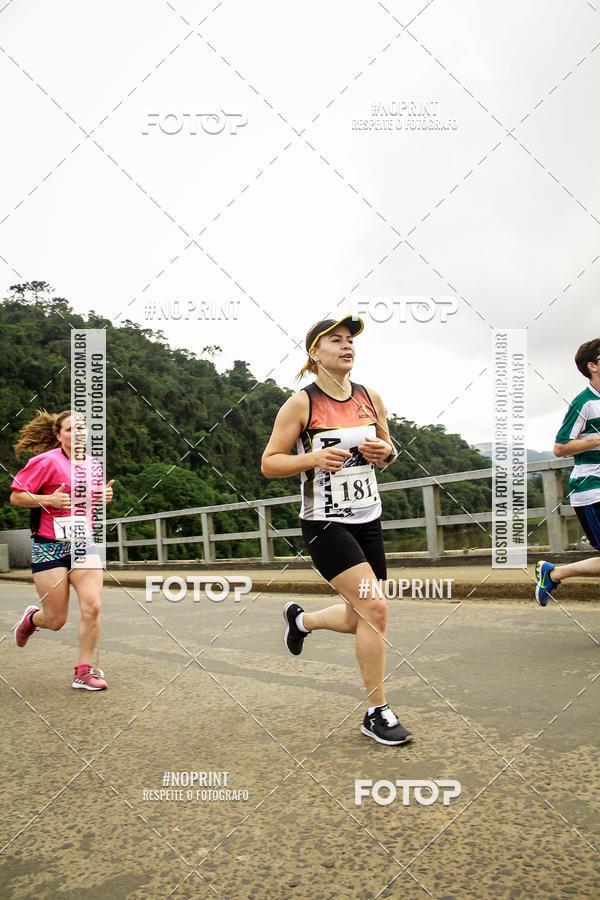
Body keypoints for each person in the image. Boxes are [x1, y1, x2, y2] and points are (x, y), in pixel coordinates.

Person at [261, 316, 413, 746]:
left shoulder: (370, 397)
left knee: (358, 616)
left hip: (368, 518)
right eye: (335, 340)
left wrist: (387, 451)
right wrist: (310, 460)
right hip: (325, 522)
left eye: (350, 340)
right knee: (377, 610)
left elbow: (389, 452)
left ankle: (301, 621)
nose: (347, 346)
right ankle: (376, 712)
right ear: (315, 352)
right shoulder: (301, 404)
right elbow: (270, 463)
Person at [10, 409, 114, 690]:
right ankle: (32, 619)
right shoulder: (44, 462)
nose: (77, 433)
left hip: (84, 544)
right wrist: (49, 499)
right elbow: (16, 496)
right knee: (55, 620)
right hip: (49, 546)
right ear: (59, 436)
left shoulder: (94, 465)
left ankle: (83, 672)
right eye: (70, 429)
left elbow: (91, 503)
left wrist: (104, 496)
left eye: (82, 428)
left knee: (93, 607)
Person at [535, 338, 600, 605]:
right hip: (591, 491)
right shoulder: (584, 403)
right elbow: (560, 447)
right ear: (593, 366)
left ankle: (554, 573)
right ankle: (554, 573)